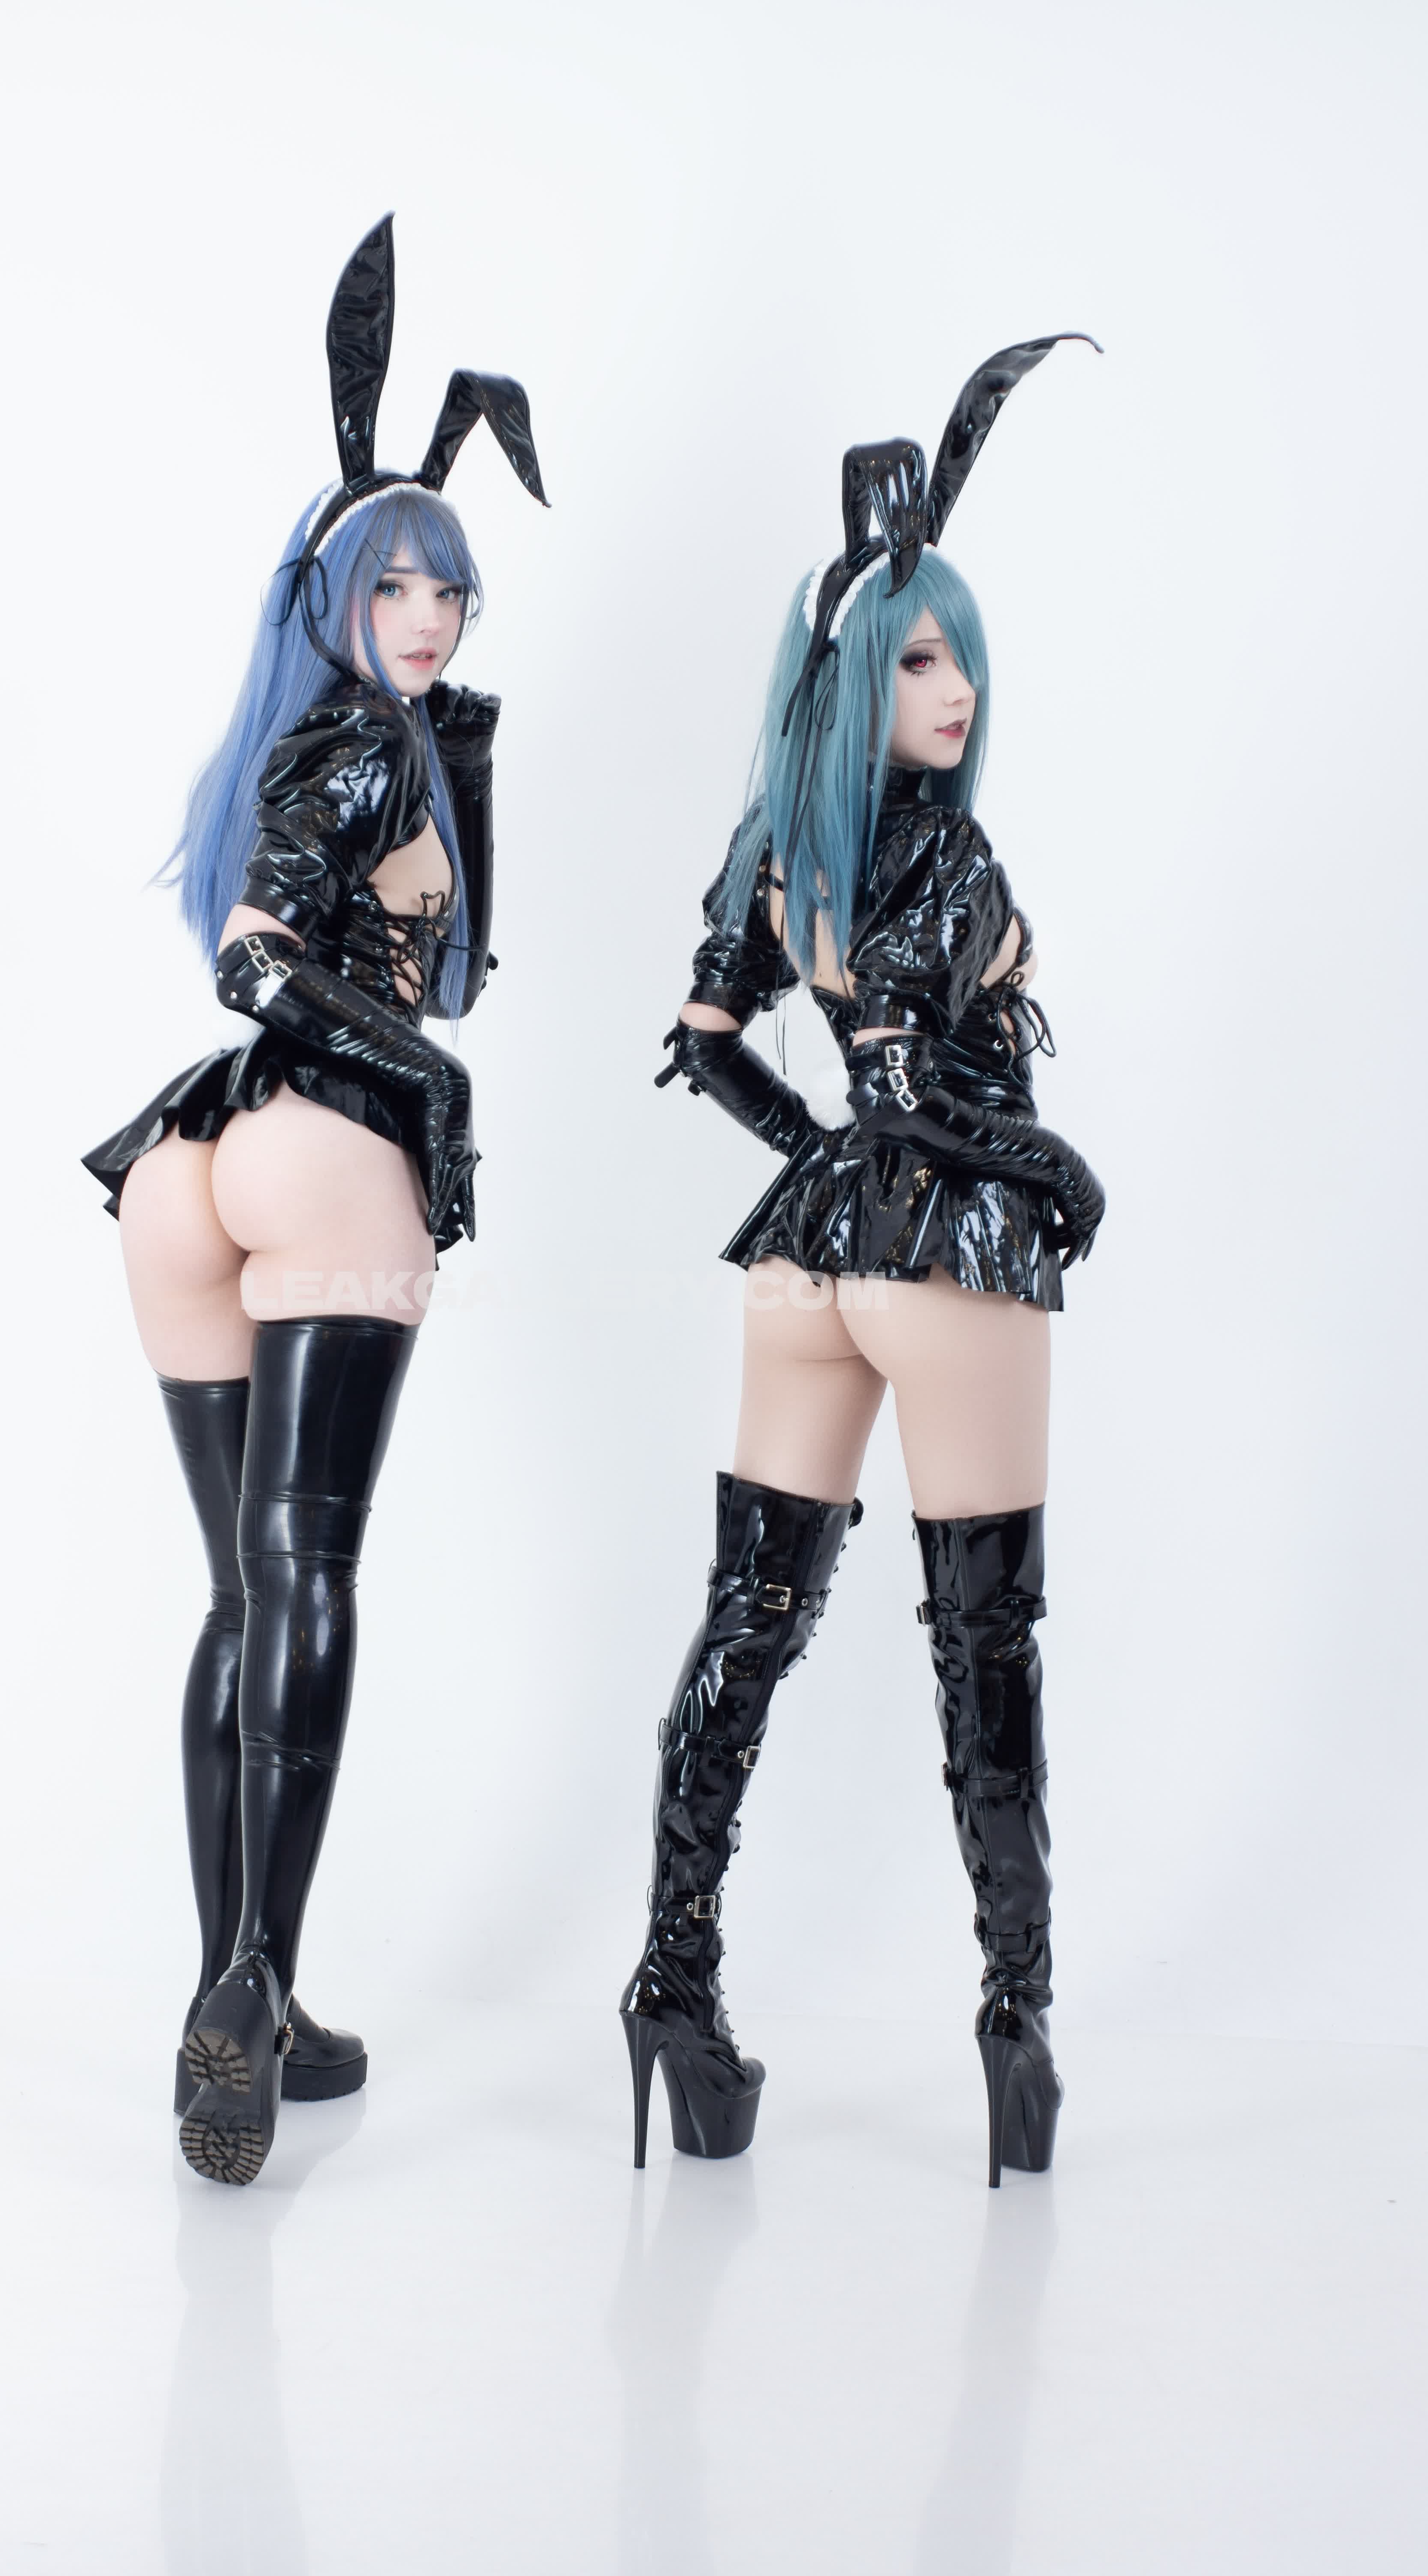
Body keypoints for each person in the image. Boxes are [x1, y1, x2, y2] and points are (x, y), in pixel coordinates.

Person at [83, 216, 546, 2185]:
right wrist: (430, 1080)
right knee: (309, 1582)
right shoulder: (357, 745)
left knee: (243, 1594)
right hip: (318, 1145)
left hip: (186, 1176)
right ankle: (250, 1983)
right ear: (333, 593)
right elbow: (267, 956)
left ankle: (242, 1997)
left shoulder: (341, 734)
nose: (429, 612)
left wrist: (470, 775)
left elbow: (434, 959)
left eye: (450, 583)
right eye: (394, 582)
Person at [621, 339, 1103, 2187]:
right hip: (948, 1260)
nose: (957, 687)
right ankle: (1015, 2023)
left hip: (809, 1265)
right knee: (985, 1638)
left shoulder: (779, 847)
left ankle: (672, 1986)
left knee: (749, 1621)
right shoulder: (958, 869)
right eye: (916, 657)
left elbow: (709, 1041)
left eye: (962, 654)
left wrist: (824, 1158)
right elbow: (923, 1088)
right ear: (852, 672)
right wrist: (1045, 1160)